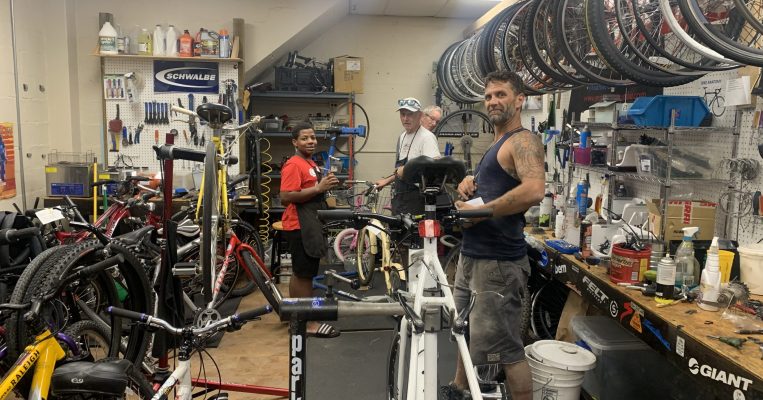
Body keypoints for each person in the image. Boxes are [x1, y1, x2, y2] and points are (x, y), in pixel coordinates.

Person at [444, 70, 544, 400]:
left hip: (498, 264)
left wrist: (482, 211)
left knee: (506, 350)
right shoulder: (497, 144)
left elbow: (533, 190)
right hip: (473, 256)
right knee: (464, 330)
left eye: (501, 94)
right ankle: (460, 388)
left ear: (519, 100)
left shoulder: (523, 141)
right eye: (488, 96)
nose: (493, 101)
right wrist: (468, 184)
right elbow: (495, 188)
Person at [280, 121, 341, 338]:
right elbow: (286, 196)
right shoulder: (294, 164)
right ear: (295, 142)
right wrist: (318, 188)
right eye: (305, 138)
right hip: (299, 224)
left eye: (313, 137)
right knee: (303, 275)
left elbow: (311, 190)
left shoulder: (310, 163)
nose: (310, 141)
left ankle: (296, 317)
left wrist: (324, 185)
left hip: (309, 222)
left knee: (304, 273)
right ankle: (306, 323)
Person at [374, 97, 440, 215]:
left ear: (420, 115)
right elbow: (401, 170)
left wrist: (411, 169)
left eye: (410, 114)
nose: (405, 118)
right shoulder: (402, 137)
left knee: (413, 234)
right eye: (403, 114)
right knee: (396, 232)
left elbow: (435, 168)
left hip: (417, 200)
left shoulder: (427, 137)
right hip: (400, 198)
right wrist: (387, 181)